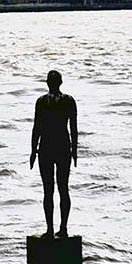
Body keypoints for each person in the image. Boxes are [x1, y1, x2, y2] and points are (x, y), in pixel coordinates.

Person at [30, 70, 78, 238]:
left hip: (46, 148)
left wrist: (32, 151)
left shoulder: (42, 102)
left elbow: (37, 127)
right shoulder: (69, 101)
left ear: (47, 83)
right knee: (63, 189)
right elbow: (74, 129)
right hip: (63, 147)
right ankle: (63, 228)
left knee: (48, 190)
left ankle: (50, 229)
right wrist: (75, 151)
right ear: (61, 82)